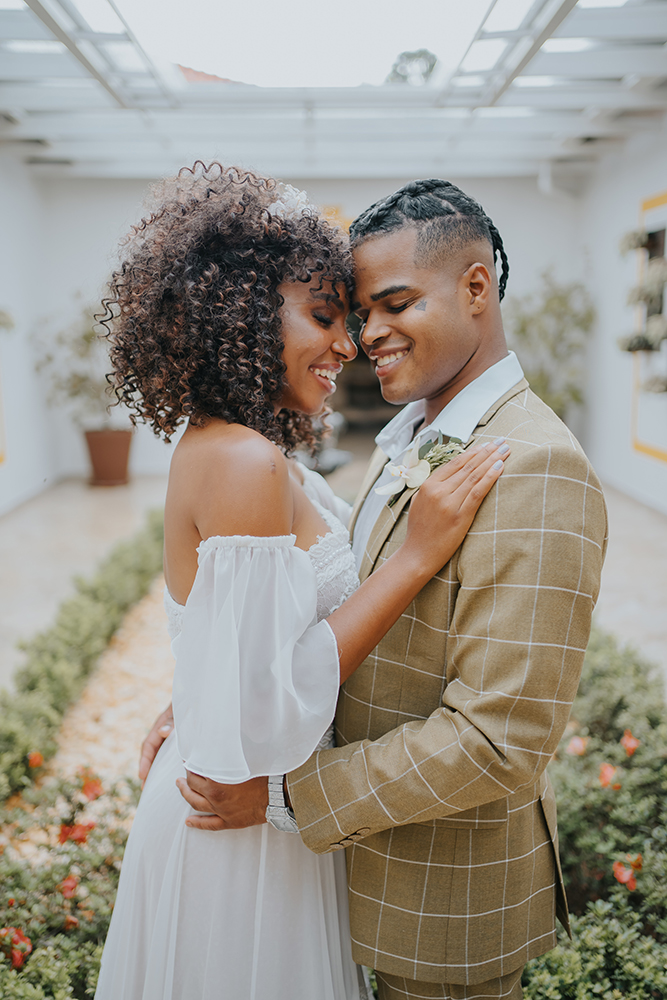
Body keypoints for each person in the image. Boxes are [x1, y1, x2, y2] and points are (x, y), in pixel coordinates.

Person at [168, 179, 609, 1000]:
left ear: (475, 287)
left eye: (393, 304)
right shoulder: (417, 434)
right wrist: (213, 686)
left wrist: (283, 797)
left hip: (439, 909)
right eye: (355, 311)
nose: (369, 335)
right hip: (359, 874)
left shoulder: (535, 467)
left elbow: (497, 741)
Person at [94, 165, 510, 1000]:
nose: (347, 344)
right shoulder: (244, 461)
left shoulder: (236, 444)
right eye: (322, 316)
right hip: (243, 836)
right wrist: (413, 556)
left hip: (242, 800)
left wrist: (203, 687)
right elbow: (273, 713)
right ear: (243, 315)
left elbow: (246, 655)